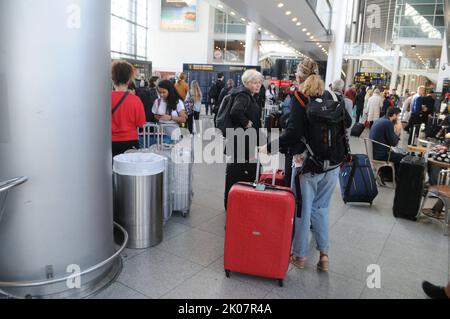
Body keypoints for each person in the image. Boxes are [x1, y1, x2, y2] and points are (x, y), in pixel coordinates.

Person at [261, 71, 352, 272]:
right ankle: (324, 256)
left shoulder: (301, 102)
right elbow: (349, 124)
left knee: (302, 209)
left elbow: (293, 133)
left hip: (308, 165)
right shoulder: (335, 100)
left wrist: (269, 147)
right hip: (333, 165)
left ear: (303, 85)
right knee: (321, 209)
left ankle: (300, 255)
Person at [224, 70, 263, 209]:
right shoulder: (243, 95)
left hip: (243, 140)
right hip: (242, 141)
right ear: (246, 83)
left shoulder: (248, 95)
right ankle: (233, 204)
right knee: (238, 172)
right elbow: (235, 111)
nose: (258, 85)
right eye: (254, 82)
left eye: (259, 82)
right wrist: (246, 122)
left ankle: (236, 202)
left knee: (239, 171)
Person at [111, 60, 146, 158]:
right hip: (130, 142)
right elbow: (140, 123)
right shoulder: (135, 100)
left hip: (109, 142)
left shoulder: (104, 99)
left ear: (113, 79)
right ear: (129, 80)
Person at [369, 108, 405, 181]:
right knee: (404, 158)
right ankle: (396, 179)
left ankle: (386, 175)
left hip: (375, 152)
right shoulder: (388, 123)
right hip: (381, 155)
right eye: (398, 116)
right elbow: (394, 143)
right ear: (394, 115)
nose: (398, 118)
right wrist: (398, 131)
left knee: (397, 154)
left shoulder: (380, 119)